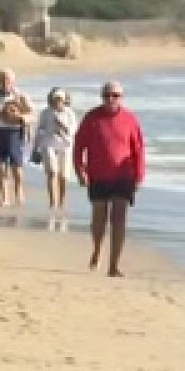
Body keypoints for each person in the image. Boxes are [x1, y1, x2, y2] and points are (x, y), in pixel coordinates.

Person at [72, 81, 145, 277]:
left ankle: (114, 266)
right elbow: (79, 145)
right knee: (99, 217)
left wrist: (139, 175)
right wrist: (80, 170)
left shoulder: (130, 119)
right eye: (107, 95)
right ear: (102, 96)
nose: (111, 99)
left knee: (119, 218)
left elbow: (138, 149)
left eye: (115, 96)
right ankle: (97, 248)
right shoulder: (92, 118)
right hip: (98, 175)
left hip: (123, 177)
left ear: (121, 97)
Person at [0, 69, 33, 207]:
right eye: (3, 79)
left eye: (8, 80)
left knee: (17, 167)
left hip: (15, 133)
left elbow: (32, 114)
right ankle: (5, 197)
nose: (5, 83)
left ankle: (19, 191)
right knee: (1, 166)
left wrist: (21, 117)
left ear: (13, 81)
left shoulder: (20, 95)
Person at [33, 87, 78, 213]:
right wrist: (35, 148)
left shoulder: (69, 113)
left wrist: (63, 126)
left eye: (60, 99)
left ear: (65, 100)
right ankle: (53, 202)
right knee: (52, 172)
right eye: (55, 99)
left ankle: (62, 202)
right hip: (49, 144)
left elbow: (74, 130)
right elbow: (40, 130)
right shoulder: (46, 112)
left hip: (66, 145)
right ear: (51, 99)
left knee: (63, 176)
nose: (58, 102)